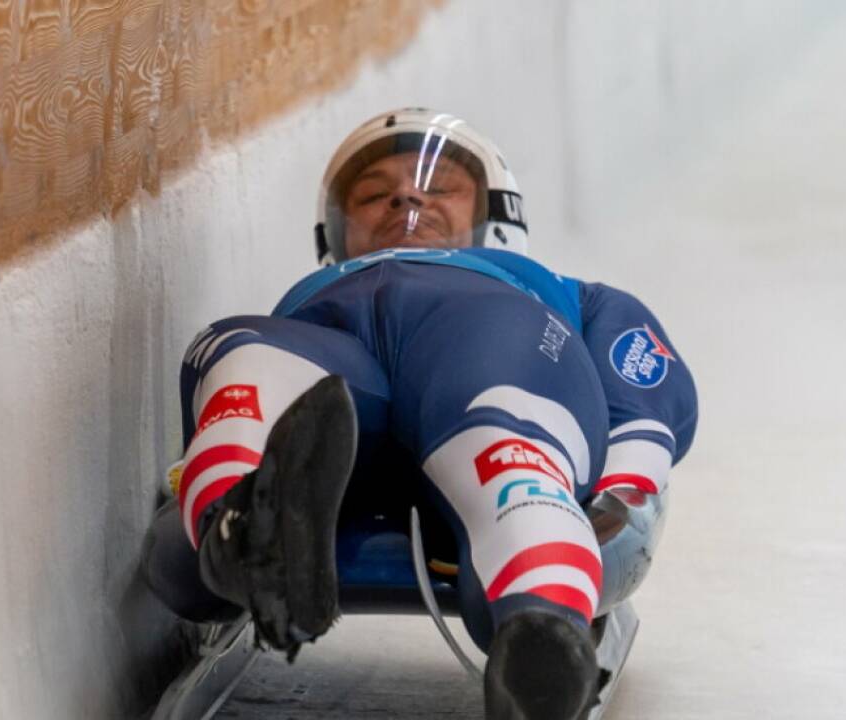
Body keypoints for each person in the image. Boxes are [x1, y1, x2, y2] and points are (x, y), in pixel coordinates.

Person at [143, 108, 698, 719]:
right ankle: (245, 530)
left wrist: (624, 489)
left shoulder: (565, 293)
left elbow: (646, 395)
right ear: (337, 233)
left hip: (486, 327)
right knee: (238, 350)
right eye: (374, 195)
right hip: (334, 349)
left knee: (497, 420)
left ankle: (539, 639)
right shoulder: (313, 296)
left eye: (440, 188)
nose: (406, 195)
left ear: (495, 217)